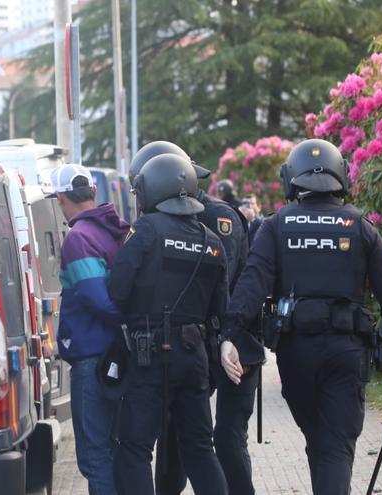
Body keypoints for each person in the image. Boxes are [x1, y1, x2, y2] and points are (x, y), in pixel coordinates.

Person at [220, 139, 382, 495]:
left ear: (291, 178)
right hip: (346, 355)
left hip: (297, 358)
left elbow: (251, 284)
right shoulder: (360, 227)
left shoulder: (277, 226)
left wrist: (229, 335)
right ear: (340, 176)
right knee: (333, 448)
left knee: (323, 444)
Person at [128, 141, 256, 495]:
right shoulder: (182, 225)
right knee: (183, 443)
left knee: (209, 442)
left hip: (208, 345)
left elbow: (219, 289)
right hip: (196, 346)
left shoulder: (215, 220)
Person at [109, 153, 228, 495]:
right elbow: (221, 307)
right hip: (195, 356)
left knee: (134, 449)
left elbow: (118, 290)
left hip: (151, 355)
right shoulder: (213, 241)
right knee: (200, 449)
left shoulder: (145, 229)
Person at [49, 163, 129, 495]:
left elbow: (99, 300)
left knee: (95, 457)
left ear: (59, 198)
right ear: (93, 192)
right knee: (115, 450)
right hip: (118, 357)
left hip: (92, 360)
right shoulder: (116, 231)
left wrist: (123, 321)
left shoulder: (79, 238)